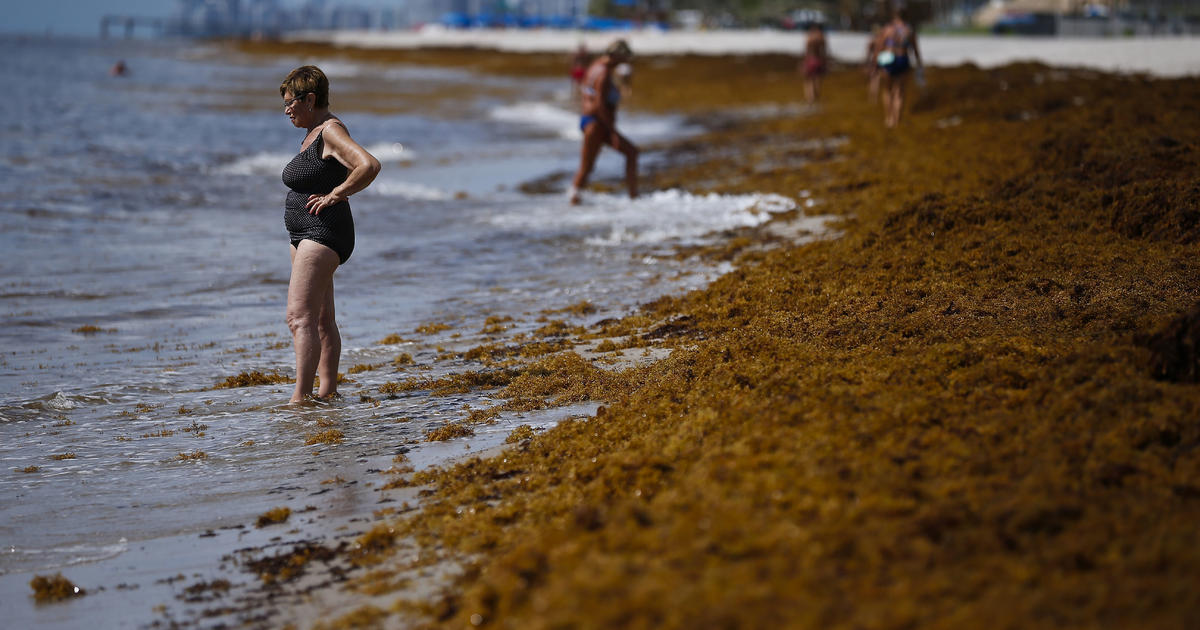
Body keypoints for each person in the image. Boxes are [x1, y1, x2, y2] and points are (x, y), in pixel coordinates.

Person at [279, 65, 380, 402]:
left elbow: (368, 165)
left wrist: (337, 194)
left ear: (310, 98)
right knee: (321, 318)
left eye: (291, 102)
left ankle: (300, 399)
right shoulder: (312, 132)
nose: (287, 110)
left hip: (323, 231)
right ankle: (327, 394)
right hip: (304, 232)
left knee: (298, 317)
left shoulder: (330, 131)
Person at [569, 39, 638, 205]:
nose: (626, 62)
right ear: (616, 56)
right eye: (624, 58)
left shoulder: (595, 66)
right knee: (588, 166)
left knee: (588, 166)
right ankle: (633, 196)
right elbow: (599, 104)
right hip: (597, 123)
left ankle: (575, 198)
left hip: (593, 122)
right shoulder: (604, 73)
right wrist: (613, 131)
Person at [877, 8, 923, 128]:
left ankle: (888, 119)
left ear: (894, 16)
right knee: (899, 92)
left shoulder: (888, 29)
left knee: (887, 90)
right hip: (903, 59)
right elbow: (915, 50)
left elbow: (879, 46)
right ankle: (897, 120)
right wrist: (919, 65)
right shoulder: (909, 31)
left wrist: (876, 63)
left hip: (888, 60)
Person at [800, 22, 828, 104]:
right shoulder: (821, 37)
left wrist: (804, 63)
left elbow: (806, 51)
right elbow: (824, 51)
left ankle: (810, 99)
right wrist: (825, 62)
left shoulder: (809, 37)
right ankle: (816, 97)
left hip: (810, 60)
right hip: (819, 60)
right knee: (817, 79)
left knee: (808, 81)